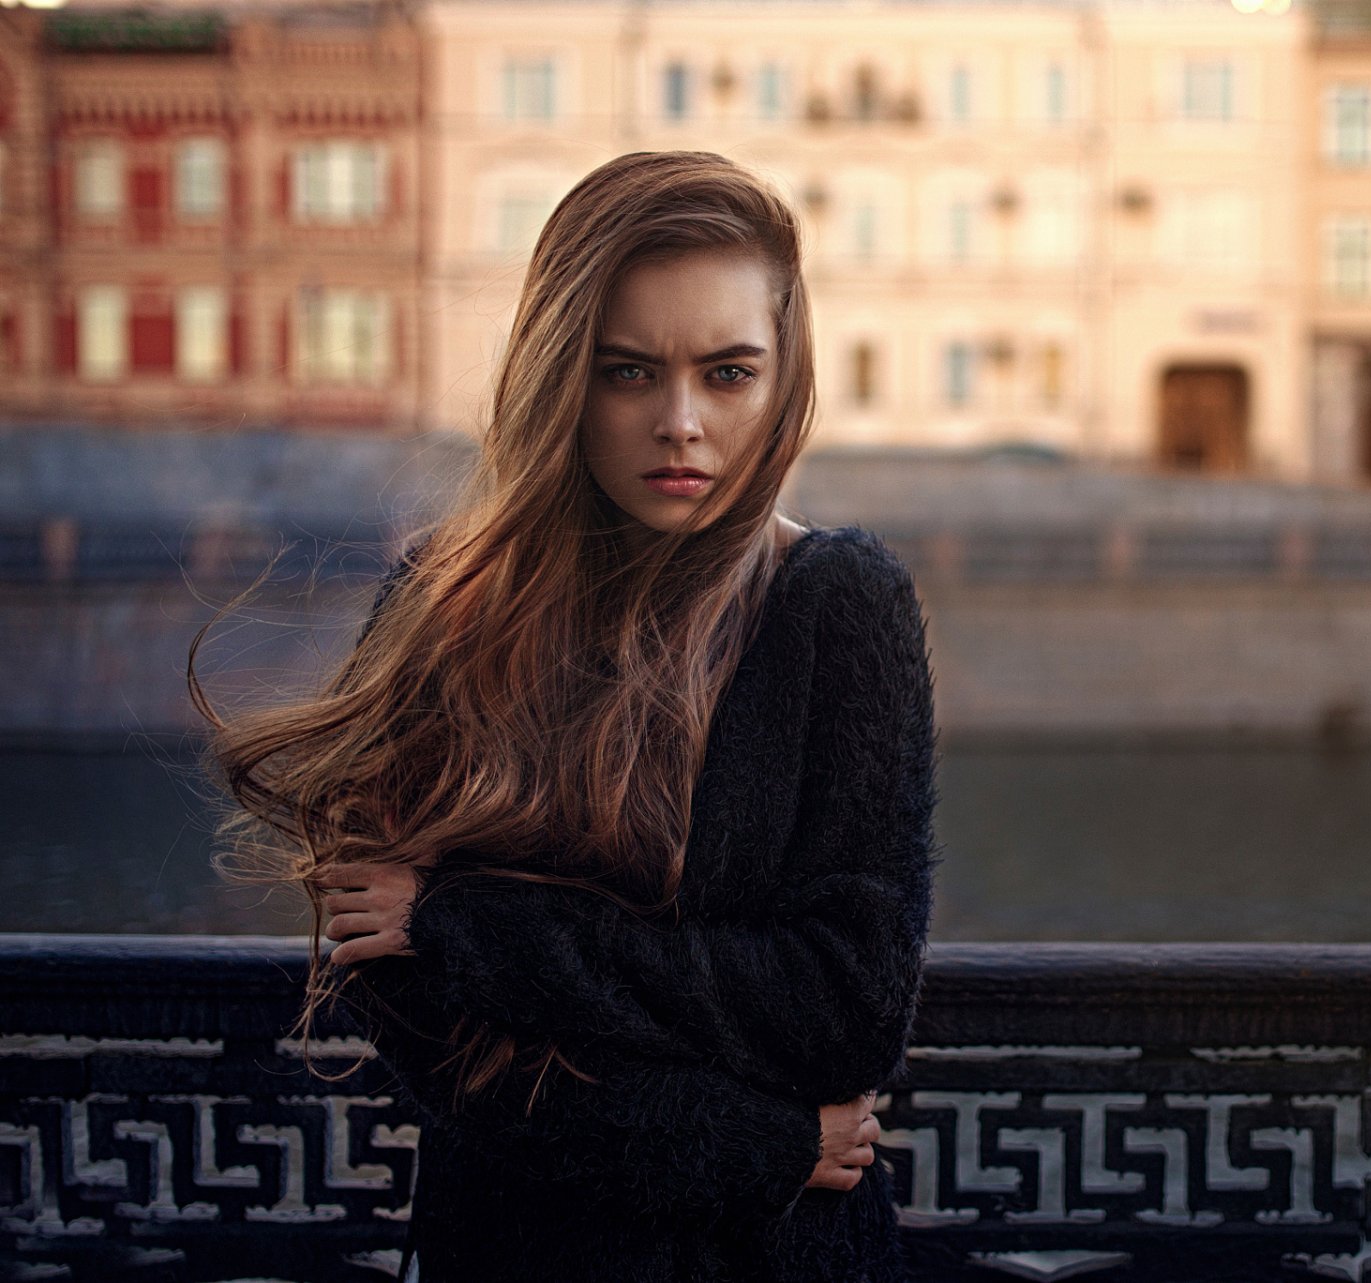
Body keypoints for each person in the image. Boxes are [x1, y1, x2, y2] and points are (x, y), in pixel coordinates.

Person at [188, 150, 940, 1282]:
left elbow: (845, 1006)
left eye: (728, 373)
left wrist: (470, 925)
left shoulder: (842, 605)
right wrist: (769, 1139)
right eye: (628, 372)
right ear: (561, 376)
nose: (681, 423)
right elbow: (443, 1051)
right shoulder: (445, 608)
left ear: (785, 380)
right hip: (524, 1251)